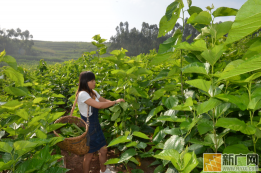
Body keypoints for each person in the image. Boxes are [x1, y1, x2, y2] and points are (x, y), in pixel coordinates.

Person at [77, 71, 125, 173]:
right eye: (92, 80)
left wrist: (116, 101)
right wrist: (115, 102)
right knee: (89, 155)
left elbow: (103, 101)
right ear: (85, 81)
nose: (94, 82)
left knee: (103, 149)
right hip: (89, 127)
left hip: (95, 125)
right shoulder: (82, 94)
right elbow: (98, 105)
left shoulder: (92, 92)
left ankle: (103, 170)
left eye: (94, 80)